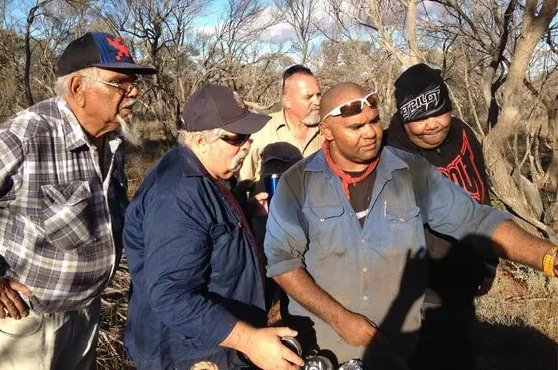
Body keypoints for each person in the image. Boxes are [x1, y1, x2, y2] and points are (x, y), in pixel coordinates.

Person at [263, 82, 558, 366]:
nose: (370, 133)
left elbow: (476, 220)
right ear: (326, 130)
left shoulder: (411, 172)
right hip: (325, 345)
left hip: (402, 346)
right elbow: (282, 262)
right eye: (356, 127)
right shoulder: (297, 183)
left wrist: (548, 257)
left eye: (375, 121)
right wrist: (340, 319)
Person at [0, 32, 157, 369]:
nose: (134, 91)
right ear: (78, 88)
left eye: (134, 81)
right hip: (28, 323)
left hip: (86, 312)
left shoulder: (113, 139)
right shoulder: (26, 136)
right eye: (119, 82)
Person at [122, 84, 305, 370]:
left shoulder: (203, 171)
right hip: (189, 355)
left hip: (215, 346)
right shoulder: (179, 195)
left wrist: (245, 213)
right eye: (236, 137)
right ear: (200, 140)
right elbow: (172, 296)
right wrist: (252, 341)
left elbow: (204, 234)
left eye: (248, 136)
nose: (247, 145)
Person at [385, 63, 497, 369]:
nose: (433, 124)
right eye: (420, 118)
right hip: (414, 296)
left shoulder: (462, 134)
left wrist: (488, 262)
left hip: (460, 286)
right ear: (404, 118)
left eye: (439, 112)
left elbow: (481, 196)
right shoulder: (385, 152)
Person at [238, 64, 322, 196]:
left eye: (318, 95)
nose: (317, 102)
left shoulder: (327, 130)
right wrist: (252, 207)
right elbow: (243, 183)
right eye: (308, 97)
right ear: (287, 101)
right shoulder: (261, 131)